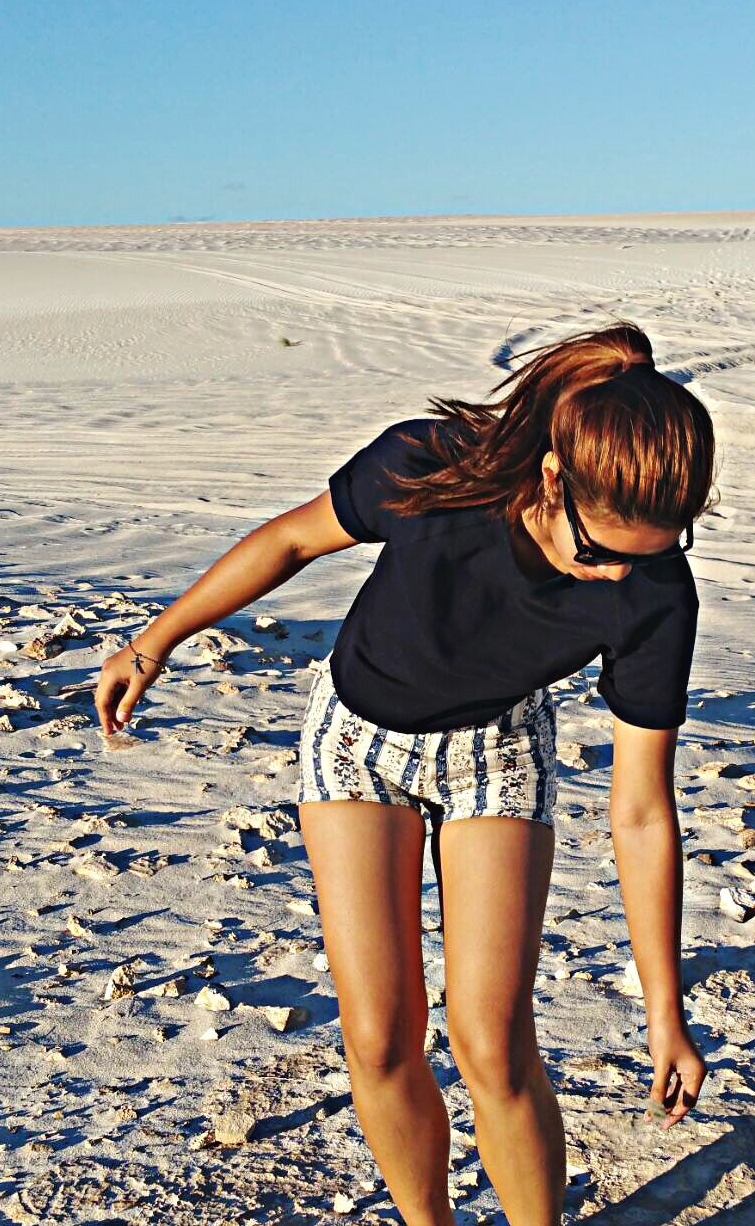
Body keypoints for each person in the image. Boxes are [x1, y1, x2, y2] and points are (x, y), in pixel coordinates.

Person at [95, 319, 718, 1225]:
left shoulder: (654, 595)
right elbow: (290, 542)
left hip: (495, 751)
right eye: (600, 552)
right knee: (382, 1037)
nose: (615, 576)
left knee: (493, 1042)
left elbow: (642, 813)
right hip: (357, 741)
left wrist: (665, 1008)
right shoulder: (431, 469)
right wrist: (153, 644)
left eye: (652, 554)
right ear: (553, 479)